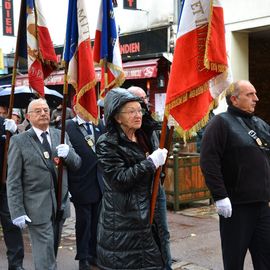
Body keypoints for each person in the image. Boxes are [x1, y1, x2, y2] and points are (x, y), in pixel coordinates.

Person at [200, 80, 270, 270]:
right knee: (234, 261)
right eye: (250, 95)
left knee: (266, 259)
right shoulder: (220, 123)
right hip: (236, 207)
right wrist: (220, 196)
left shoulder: (259, 123)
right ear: (234, 99)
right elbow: (209, 161)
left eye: (255, 94)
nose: (256, 99)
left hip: (262, 205)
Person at [96, 88, 168, 270]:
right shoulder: (107, 143)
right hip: (123, 218)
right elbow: (119, 179)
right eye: (131, 111)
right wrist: (150, 163)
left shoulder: (145, 135)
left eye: (140, 110)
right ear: (117, 117)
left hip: (148, 210)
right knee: (129, 262)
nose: (138, 115)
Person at [6, 98, 81, 270]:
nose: (43, 113)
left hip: (60, 206)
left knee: (51, 253)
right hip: (36, 208)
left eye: (46, 110)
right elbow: (13, 180)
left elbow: (77, 164)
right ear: (28, 116)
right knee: (45, 259)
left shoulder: (60, 135)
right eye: (38, 111)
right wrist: (17, 211)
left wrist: (69, 154)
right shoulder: (20, 141)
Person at [127, 85, 173, 269]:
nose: (143, 104)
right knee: (139, 233)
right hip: (135, 190)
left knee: (163, 231)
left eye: (144, 99)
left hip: (154, 185)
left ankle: (166, 265)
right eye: (138, 100)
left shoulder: (149, 125)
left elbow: (156, 142)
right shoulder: (122, 129)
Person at [65, 107, 105, 270]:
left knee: (97, 221)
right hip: (80, 182)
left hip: (98, 181)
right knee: (84, 222)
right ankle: (83, 257)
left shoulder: (98, 125)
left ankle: (94, 253)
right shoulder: (68, 126)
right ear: (76, 108)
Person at [0, 116, 25, 270]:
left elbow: (21, 148)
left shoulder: (4, 123)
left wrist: (15, 133)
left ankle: (16, 265)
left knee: (11, 225)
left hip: (4, 185)